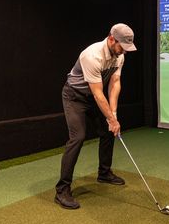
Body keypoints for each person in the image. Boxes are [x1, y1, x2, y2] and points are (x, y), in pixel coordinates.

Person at [55, 23, 137, 210]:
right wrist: (111, 119)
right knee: (78, 137)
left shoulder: (119, 56)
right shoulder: (91, 55)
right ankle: (62, 190)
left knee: (108, 131)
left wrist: (113, 115)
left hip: (93, 97)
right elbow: (99, 94)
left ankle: (104, 173)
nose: (124, 52)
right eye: (122, 47)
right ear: (111, 39)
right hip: (75, 96)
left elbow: (115, 83)